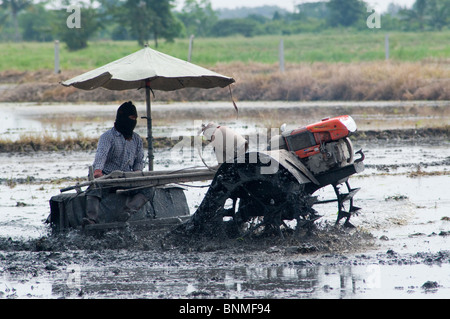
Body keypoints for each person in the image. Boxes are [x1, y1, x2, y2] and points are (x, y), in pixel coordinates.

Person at [82, 101, 151, 225]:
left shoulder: (136, 139)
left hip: (128, 179)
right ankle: (91, 219)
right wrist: (98, 172)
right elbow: (101, 156)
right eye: (130, 118)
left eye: (135, 119)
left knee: (149, 188)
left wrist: (137, 175)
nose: (133, 122)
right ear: (122, 118)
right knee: (94, 187)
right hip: (108, 178)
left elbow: (139, 161)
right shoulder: (108, 137)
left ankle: (127, 212)